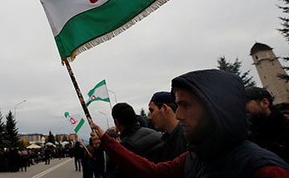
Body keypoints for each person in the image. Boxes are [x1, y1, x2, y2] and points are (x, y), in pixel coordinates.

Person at [91, 69, 289, 177]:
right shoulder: (194, 157)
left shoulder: (265, 170)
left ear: (215, 108)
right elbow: (152, 172)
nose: (179, 115)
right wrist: (108, 142)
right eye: (178, 105)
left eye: (185, 105)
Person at [245, 86, 289, 162]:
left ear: (265, 103)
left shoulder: (285, 130)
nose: (243, 107)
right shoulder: (250, 136)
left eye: (246, 102)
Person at [148, 91, 187, 161]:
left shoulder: (186, 140)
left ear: (164, 109)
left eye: (152, 111)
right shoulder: (169, 141)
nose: (149, 117)